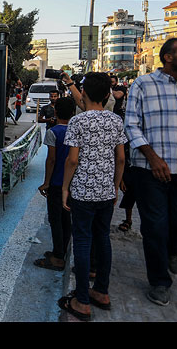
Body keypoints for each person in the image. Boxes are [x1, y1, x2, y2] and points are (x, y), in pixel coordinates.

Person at [124, 37, 177, 306]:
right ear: (168, 57)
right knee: (155, 227)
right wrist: (152, 157)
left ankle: (174, 250)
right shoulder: (143, 84)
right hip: (149, 170)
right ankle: (159, 282)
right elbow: (130, 125)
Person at [58, 72, 127, 321]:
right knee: (103, 239)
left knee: (83, 242)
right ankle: (102, 293)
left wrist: (65, 188)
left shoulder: (78, 122)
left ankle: (82, 301)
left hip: (83, 193)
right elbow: (121, 158)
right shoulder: (116, 121)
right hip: (106, 193)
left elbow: (72, 160)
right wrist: (116, 186)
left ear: (83, 94)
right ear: (108, 95)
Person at [34, 96, 76, 271]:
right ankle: (61, 251)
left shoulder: (53, 132)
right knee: (66, 220)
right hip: (72, 183)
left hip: (57, 183)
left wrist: (46, 182)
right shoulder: (75, 131)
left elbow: (51, 160)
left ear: (56, 111)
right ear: (73, 113)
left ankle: (58, 257)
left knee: (55, 219)